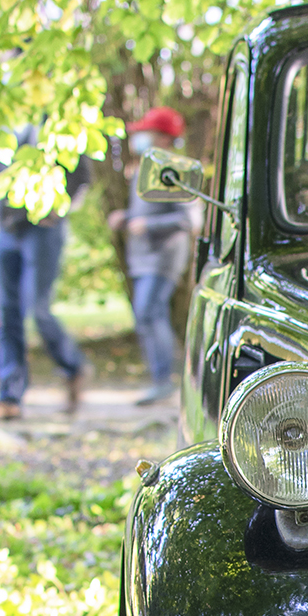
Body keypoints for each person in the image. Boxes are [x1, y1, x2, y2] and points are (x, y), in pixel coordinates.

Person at [0, 125, 92, 422]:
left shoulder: (57, 125)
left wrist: (60, 210)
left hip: (44, 229)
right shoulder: (2, 133)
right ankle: (9, 398)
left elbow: (82, 177)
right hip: (7, 231)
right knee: (7, 314)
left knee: (39, 310)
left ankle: (73, 366)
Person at [108, 107, 196, 406]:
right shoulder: (147, 167)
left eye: (147, 131)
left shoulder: (176, 170)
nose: (140, 137)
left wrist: (147, 225)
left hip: (163, 256)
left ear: (163, 136)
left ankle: (167, 381)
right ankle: (166, 380)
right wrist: (128, 217)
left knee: (149, 310)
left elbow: (187, 219)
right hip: (143, 257)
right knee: (147, 314)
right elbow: (148, 211)